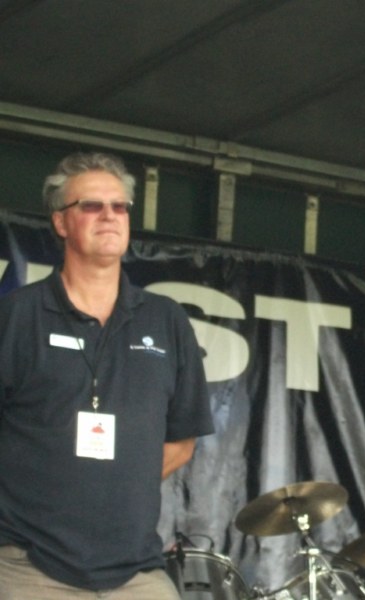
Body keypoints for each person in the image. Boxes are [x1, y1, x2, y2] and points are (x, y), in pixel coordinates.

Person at [0, 152, 215, 598]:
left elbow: (182, 441)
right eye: (92, 205)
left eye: (119, 206)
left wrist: (114, 480)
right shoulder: (18, 314)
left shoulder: (166, 319)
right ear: (61, 222)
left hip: (136, 569)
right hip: (26, 566)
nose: (109, 215)